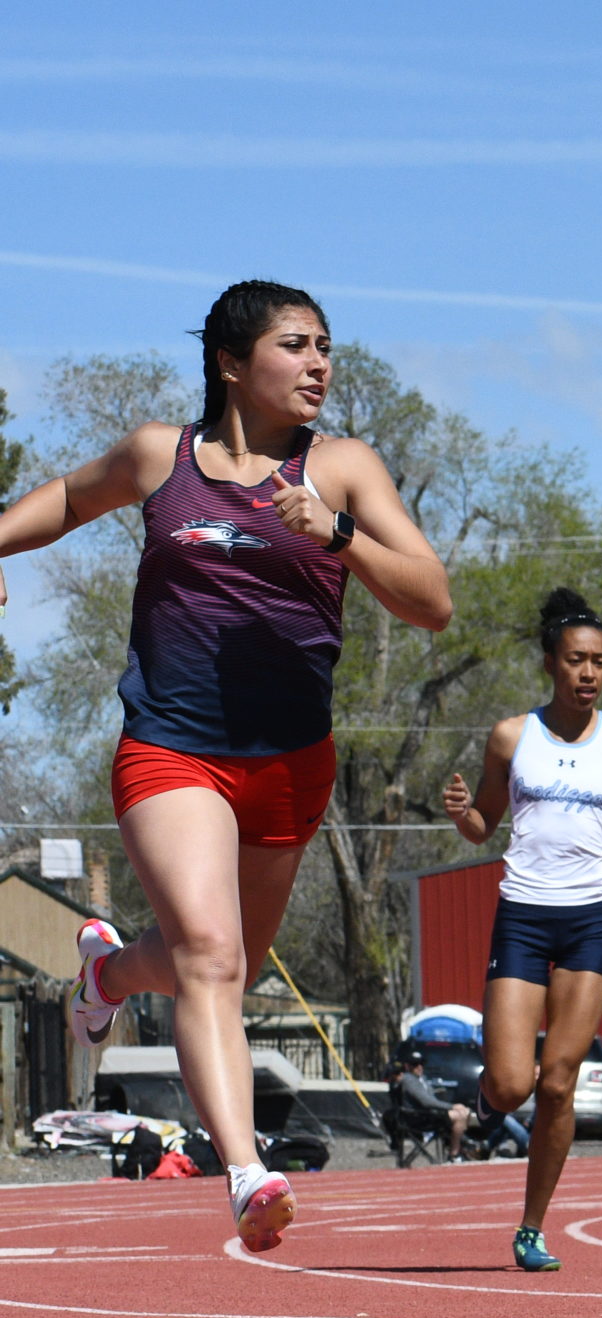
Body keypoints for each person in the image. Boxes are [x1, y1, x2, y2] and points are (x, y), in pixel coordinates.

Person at [0, 281, 452, 1252]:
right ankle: (247, 1173)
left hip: (289, 763)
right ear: (233, 363)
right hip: (170, 746)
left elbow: (431, 602)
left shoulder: (344, 469)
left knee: (222, 965)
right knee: (209, 953)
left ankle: (108, 974)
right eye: (297, 346)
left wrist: (334, 534)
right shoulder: (160, 457)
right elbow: (72, 500)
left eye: (327, 346)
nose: (322, 364)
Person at [442, 588, 602, 1271]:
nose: (589, 674)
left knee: (558, 1082)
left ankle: (531, 1227)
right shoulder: (510, 737)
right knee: (509, 1085)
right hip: (523, 915)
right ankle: (489, 1096)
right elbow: (482, 827)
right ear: (550, 662)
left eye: (601, 663)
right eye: (577, 660)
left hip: (589, 921)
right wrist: (463, 812)